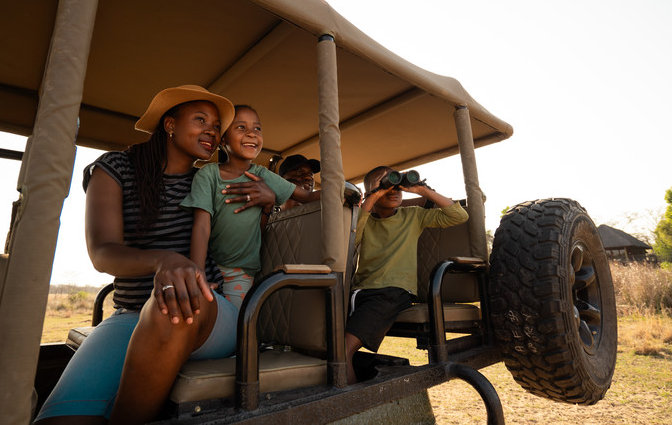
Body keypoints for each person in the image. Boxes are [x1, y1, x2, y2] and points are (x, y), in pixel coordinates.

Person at [35, 85, 275, 425]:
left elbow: (260, 220)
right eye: (200, 119)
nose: (211, 130)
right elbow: (102, 253)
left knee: (173, 301)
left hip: (207, 311)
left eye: (216, 126)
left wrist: (270, 198)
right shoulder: (117, 168)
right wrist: (164, 259)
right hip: (130, 314)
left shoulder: (209, 181)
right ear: (170, 124)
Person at [182, 106, 320, 308]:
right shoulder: (208, 175)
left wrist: (342, 191)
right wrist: (197, 272)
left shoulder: (263, 174)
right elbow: (201, 227)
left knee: (235, 328)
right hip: (211, 267)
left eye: (257, 129)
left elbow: (308, 197)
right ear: (223, 139)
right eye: (241, 127)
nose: (251, 134)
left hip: (242, 272)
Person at [345, 166, 468, 384]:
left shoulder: (413, 216)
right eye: (384, 185)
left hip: (392, 293)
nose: (392, 190)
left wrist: (423, 191)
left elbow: (459, 216)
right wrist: (370, 200)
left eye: (397, 186)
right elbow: (349, 241)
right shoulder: (363, 219)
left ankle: (349, 409)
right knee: (328, 348)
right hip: (359, 292)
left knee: (342, 353)